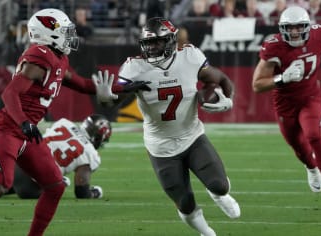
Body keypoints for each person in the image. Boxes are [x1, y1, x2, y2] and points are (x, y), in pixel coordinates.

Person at [0, 8, 148, 234]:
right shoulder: (39, 57)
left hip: (27, 133)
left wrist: (126, 87)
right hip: (8, 129)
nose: (70, 36)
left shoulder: (58, 58)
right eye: (65, 31)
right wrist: (23, 122)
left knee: (55, 186)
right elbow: (9, 94)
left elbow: (84, 85)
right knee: (0, 186)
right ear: (47, 33)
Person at [96, 17, 241, 236]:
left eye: (158, 42)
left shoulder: (190, 57)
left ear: (171, 41)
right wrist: (106, 97)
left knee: (220, 185)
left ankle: (219, 194)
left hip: (192, 136)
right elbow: (116, 99)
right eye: (149, 43)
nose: (152, 48)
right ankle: (207, 233)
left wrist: (227, 100)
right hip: (160, 145)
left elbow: (221, 78)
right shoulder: (135, 67)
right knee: (184, 203)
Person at [252, 6, 321, 210]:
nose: (295, 32)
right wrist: (282, 78)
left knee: (314, 135)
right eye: (290, 27)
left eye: (299, 27)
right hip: (285, 103)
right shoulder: (274, 47)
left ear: (306, 26)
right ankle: (311, 167)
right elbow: (257, 84)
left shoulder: (318, 34)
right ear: (282, 28)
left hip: (311, 96)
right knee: (298, 145)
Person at [0, 114, 111, 199]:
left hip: (20, 161)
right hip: (29, 187)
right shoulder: (91, 153)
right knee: (52, 182)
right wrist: (95, 193)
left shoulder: (64, 123)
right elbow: (81, 189)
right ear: (99, 138)